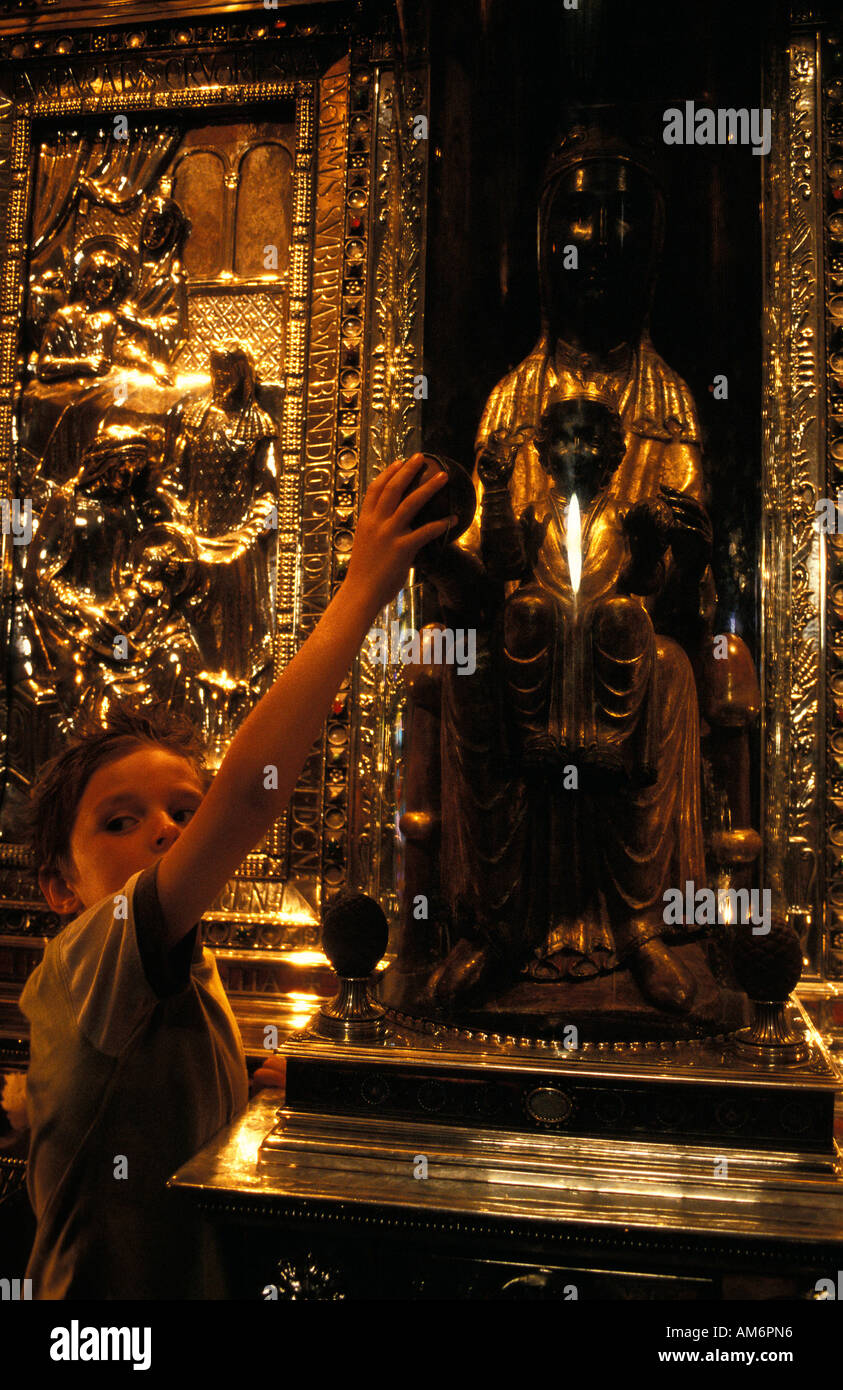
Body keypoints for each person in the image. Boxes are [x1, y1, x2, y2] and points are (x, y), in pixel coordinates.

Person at [17, 453, 452, 1299]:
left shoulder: (173, 970)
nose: (168, 833)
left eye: (185, 811)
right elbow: (250, 800)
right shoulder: (91, 956)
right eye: (120, 820)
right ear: (59, 889)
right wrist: (362, 587)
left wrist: (242, 1106)